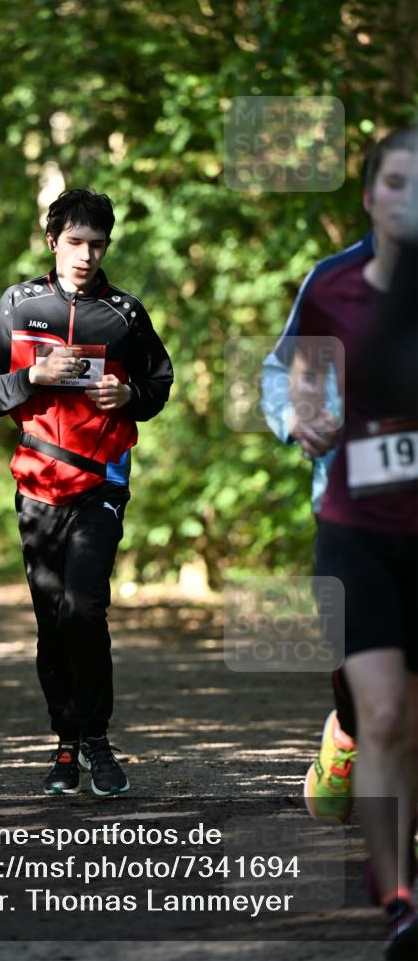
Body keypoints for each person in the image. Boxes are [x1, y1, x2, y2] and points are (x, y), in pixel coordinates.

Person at [263, 127, 418, 959]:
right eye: (396, 182)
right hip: (354, 521)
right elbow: (282, 372)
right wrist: (299, 415)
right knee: (383, 710)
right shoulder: (331, 284)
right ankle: (399, 900)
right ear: (368, 195)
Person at [0, 189, 173, 796]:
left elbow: (159, 383)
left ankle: (97, 741)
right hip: (36, 485)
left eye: (97, 245)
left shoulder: (124, 313)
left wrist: (129, 396)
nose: (86, 255)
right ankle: (65, 741)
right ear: (52, 241)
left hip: (101, 480)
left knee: (84, 607)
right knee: (53, 622)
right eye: (76, 243)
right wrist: (31, 376)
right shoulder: (17, 305)